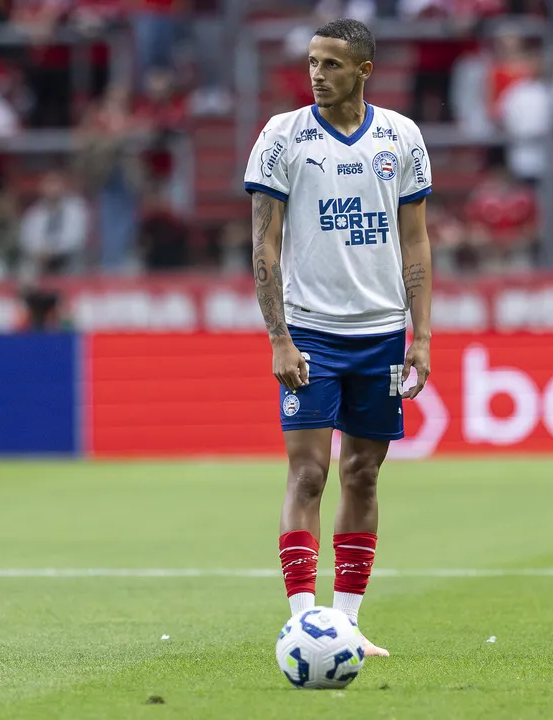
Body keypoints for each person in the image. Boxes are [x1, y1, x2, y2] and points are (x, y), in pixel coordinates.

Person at [242, 18, 433, 659]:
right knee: (308, 473)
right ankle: (303, 621)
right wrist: (278, 338)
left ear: (363, 70)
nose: (317, 75)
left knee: (364, 474)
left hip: (380, 334)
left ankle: (346, 622)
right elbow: (263, 243)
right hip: (310, 332)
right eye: (312, 63)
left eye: (331, 64)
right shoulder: (281, 136)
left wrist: (422, 335)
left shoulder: (400, 137)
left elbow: (416, 242)